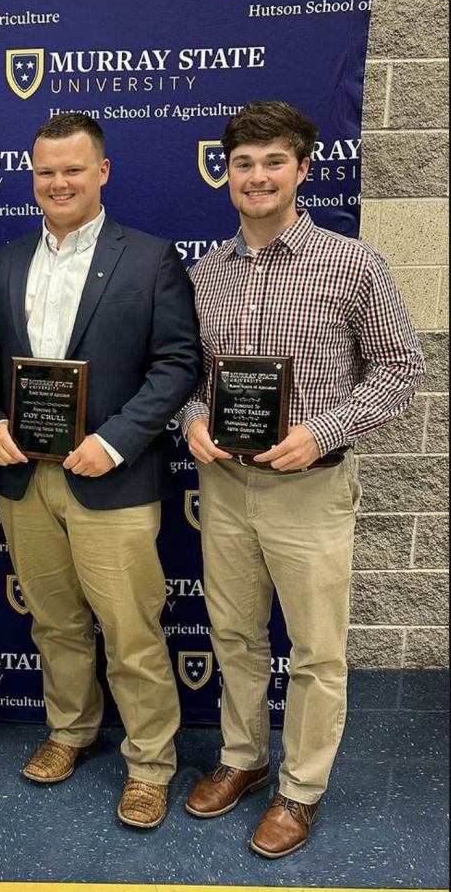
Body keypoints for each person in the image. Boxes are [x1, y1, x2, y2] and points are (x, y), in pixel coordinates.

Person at [179, 100, 424, 858]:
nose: (257, 176)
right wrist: (190, 417)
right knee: (234, 632)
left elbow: (401, 368)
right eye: (243, 163)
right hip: (225, 487)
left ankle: (301, 787)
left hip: (311, 487)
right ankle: (245, 759)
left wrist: (322, 429)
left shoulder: (352, 265)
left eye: (273, 162)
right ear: (227, 173)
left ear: (302, 170)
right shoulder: (205, 274)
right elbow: (192, 377)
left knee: (316, 649)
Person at [0, 112, 201, 828]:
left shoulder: (151, 257)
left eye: (73, 169)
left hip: (112, 476)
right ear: (31, 176)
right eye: (46, 171)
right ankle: (70, 731)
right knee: (55, 622)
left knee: (130, 628)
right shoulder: (4, 262)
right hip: (26, 480)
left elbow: (177, 364)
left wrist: (118, 439)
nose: (58, 182)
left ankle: (151, 763)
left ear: (102, 172)